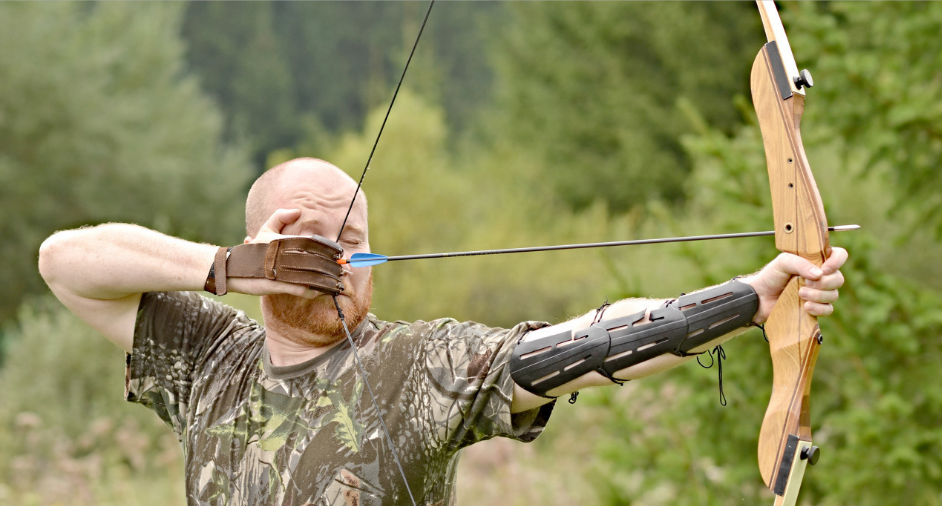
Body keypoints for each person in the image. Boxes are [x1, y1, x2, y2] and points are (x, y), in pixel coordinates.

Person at [38, 157, 848, 506]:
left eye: (352, 242)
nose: (337, 262)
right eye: (310, 241)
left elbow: (579, 346)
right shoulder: (210, 356)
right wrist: (222, 267)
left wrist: (747, 299)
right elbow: (64, 261)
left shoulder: (415, 364)